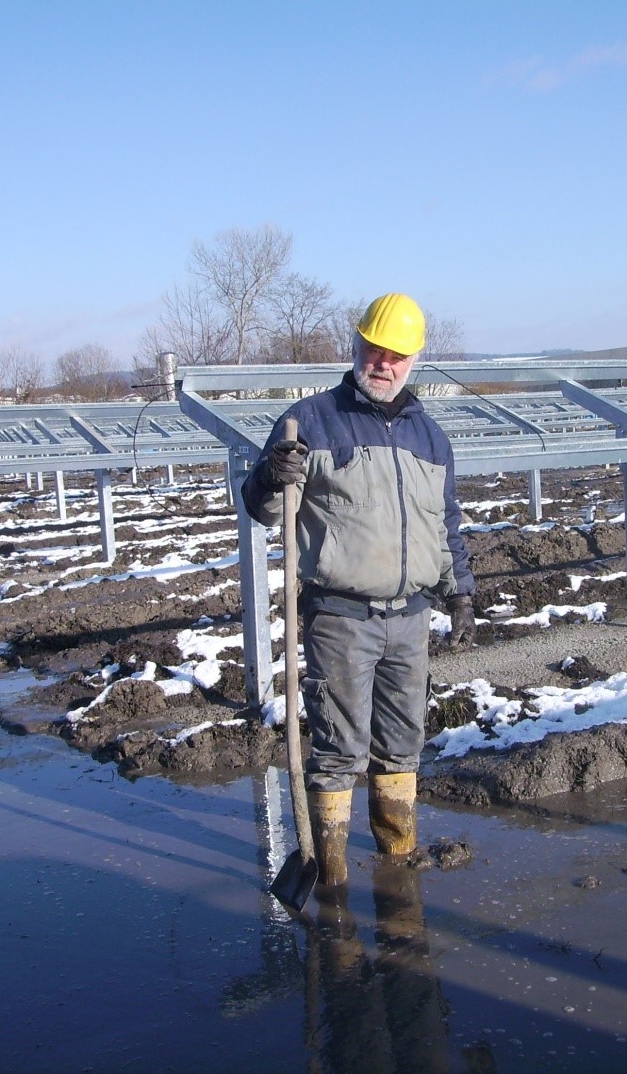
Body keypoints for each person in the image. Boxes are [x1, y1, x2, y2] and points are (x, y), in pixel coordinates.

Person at [242, 292, 476, 891]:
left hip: (410, 619)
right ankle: (336, 885)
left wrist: (461, 593)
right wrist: (272, 475)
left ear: (414, 360)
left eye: (397, 355)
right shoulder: (311, 420)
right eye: (375, 350)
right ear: (355, 348)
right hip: (340, 617)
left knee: (402, 746)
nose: (384, 363)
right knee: (339, 751)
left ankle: (397, 866)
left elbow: (444, 522)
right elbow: (264, 510)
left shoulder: (431, 436)